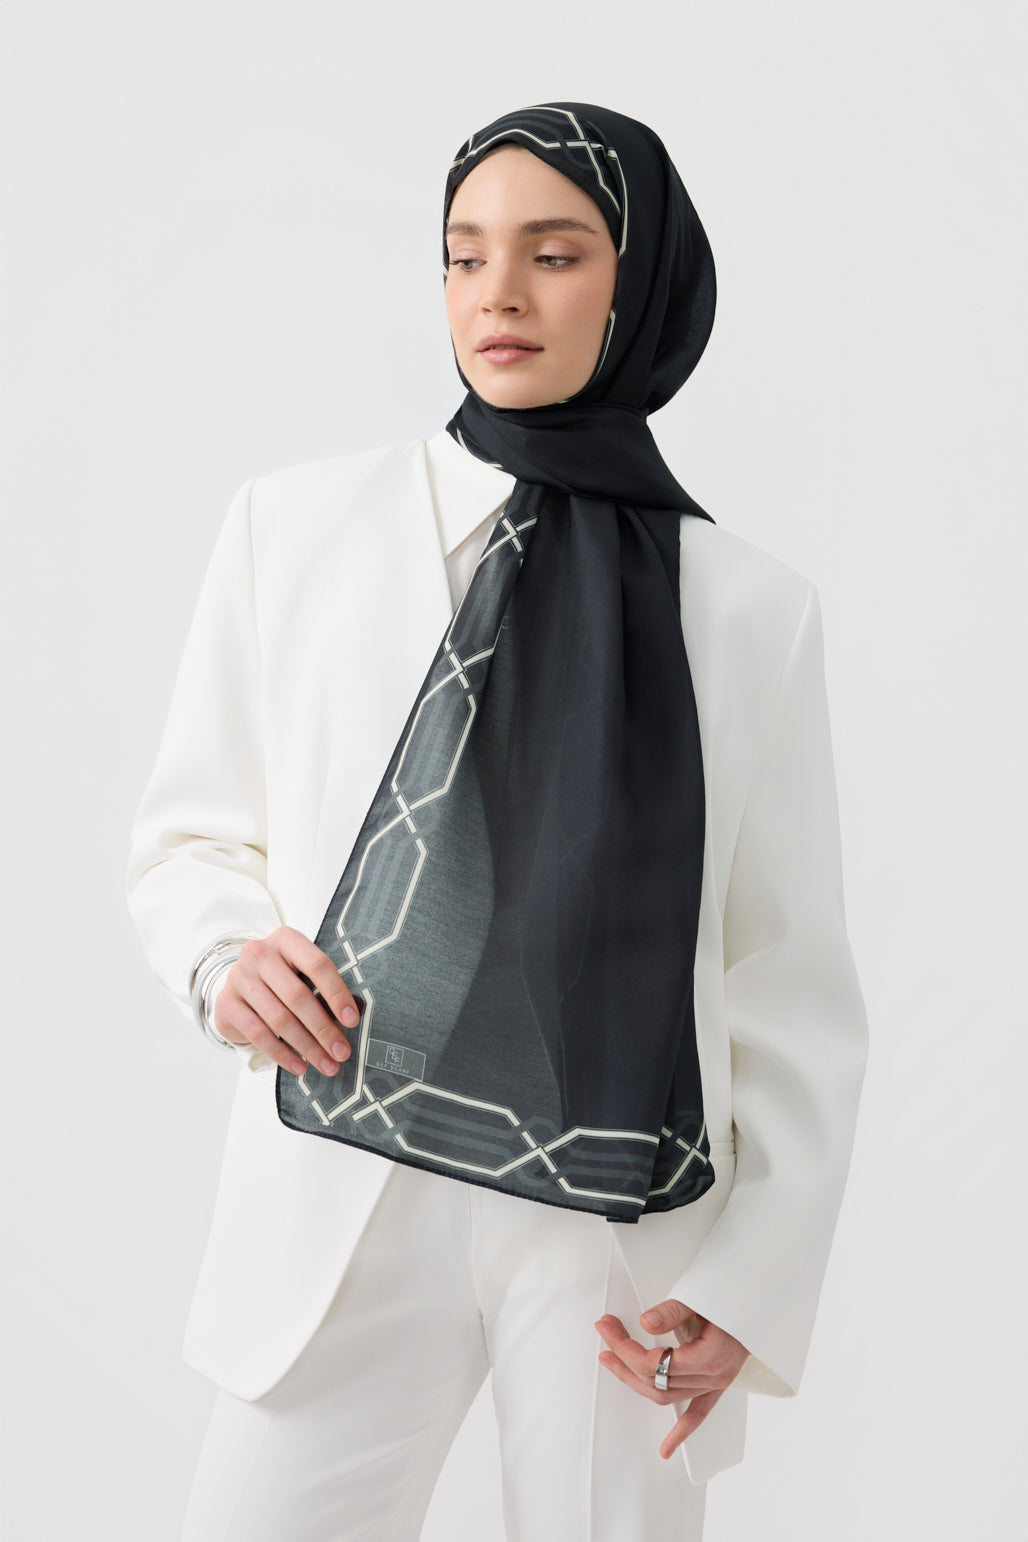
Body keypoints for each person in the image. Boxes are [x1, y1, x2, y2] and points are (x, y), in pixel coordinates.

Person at [127, 102, 868, 1542]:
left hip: (619, 1214)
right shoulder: (295, 528)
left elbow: (787, 971)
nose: (500, 295)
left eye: (556, 253)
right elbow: (189, 837)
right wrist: (225, 962)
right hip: (342, 1153)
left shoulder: (746, 608)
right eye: (466, 255)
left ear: (641, 284)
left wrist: (751, 1279)